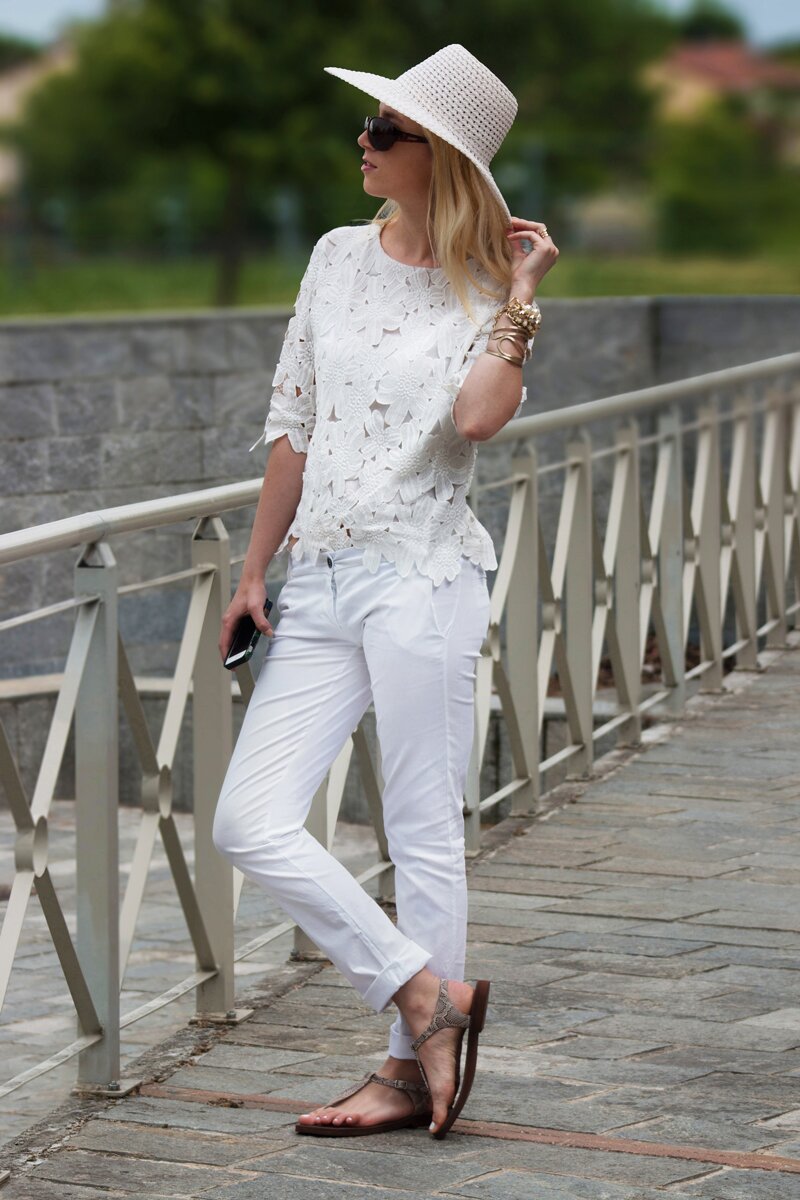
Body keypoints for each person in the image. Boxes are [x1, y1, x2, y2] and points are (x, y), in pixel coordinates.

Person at [212, 43, 558, 1141]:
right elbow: (293, 421)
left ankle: (410, 1071)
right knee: (246, 820)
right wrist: (255, 568)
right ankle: (424, 994)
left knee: (420, 832)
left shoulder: (482, 289)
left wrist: (518, 299)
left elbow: (473, 423)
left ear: (438, 158)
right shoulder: (330, 256)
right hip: (314, 576)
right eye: (367, 126)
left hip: (423, 578)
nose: (360, 143)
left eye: (384, 132)